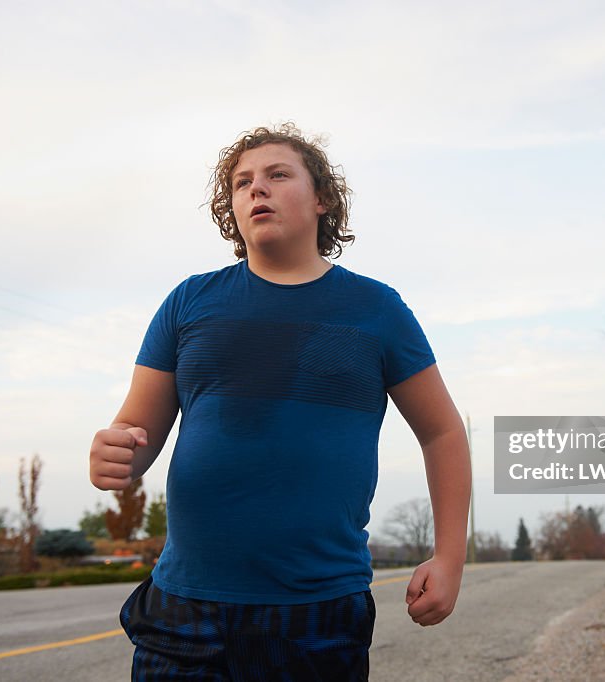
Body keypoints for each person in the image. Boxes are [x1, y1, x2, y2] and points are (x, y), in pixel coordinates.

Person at [89, 123, 472, 681]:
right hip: (184, 606)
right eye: (242, 183)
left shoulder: (376, 310)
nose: (256, 189)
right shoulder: (189, 302)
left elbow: (442, 432)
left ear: (321, 199)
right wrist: (116, 452)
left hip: (317, 612)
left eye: (276, 175)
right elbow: (135, 429)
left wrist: (450, 558)